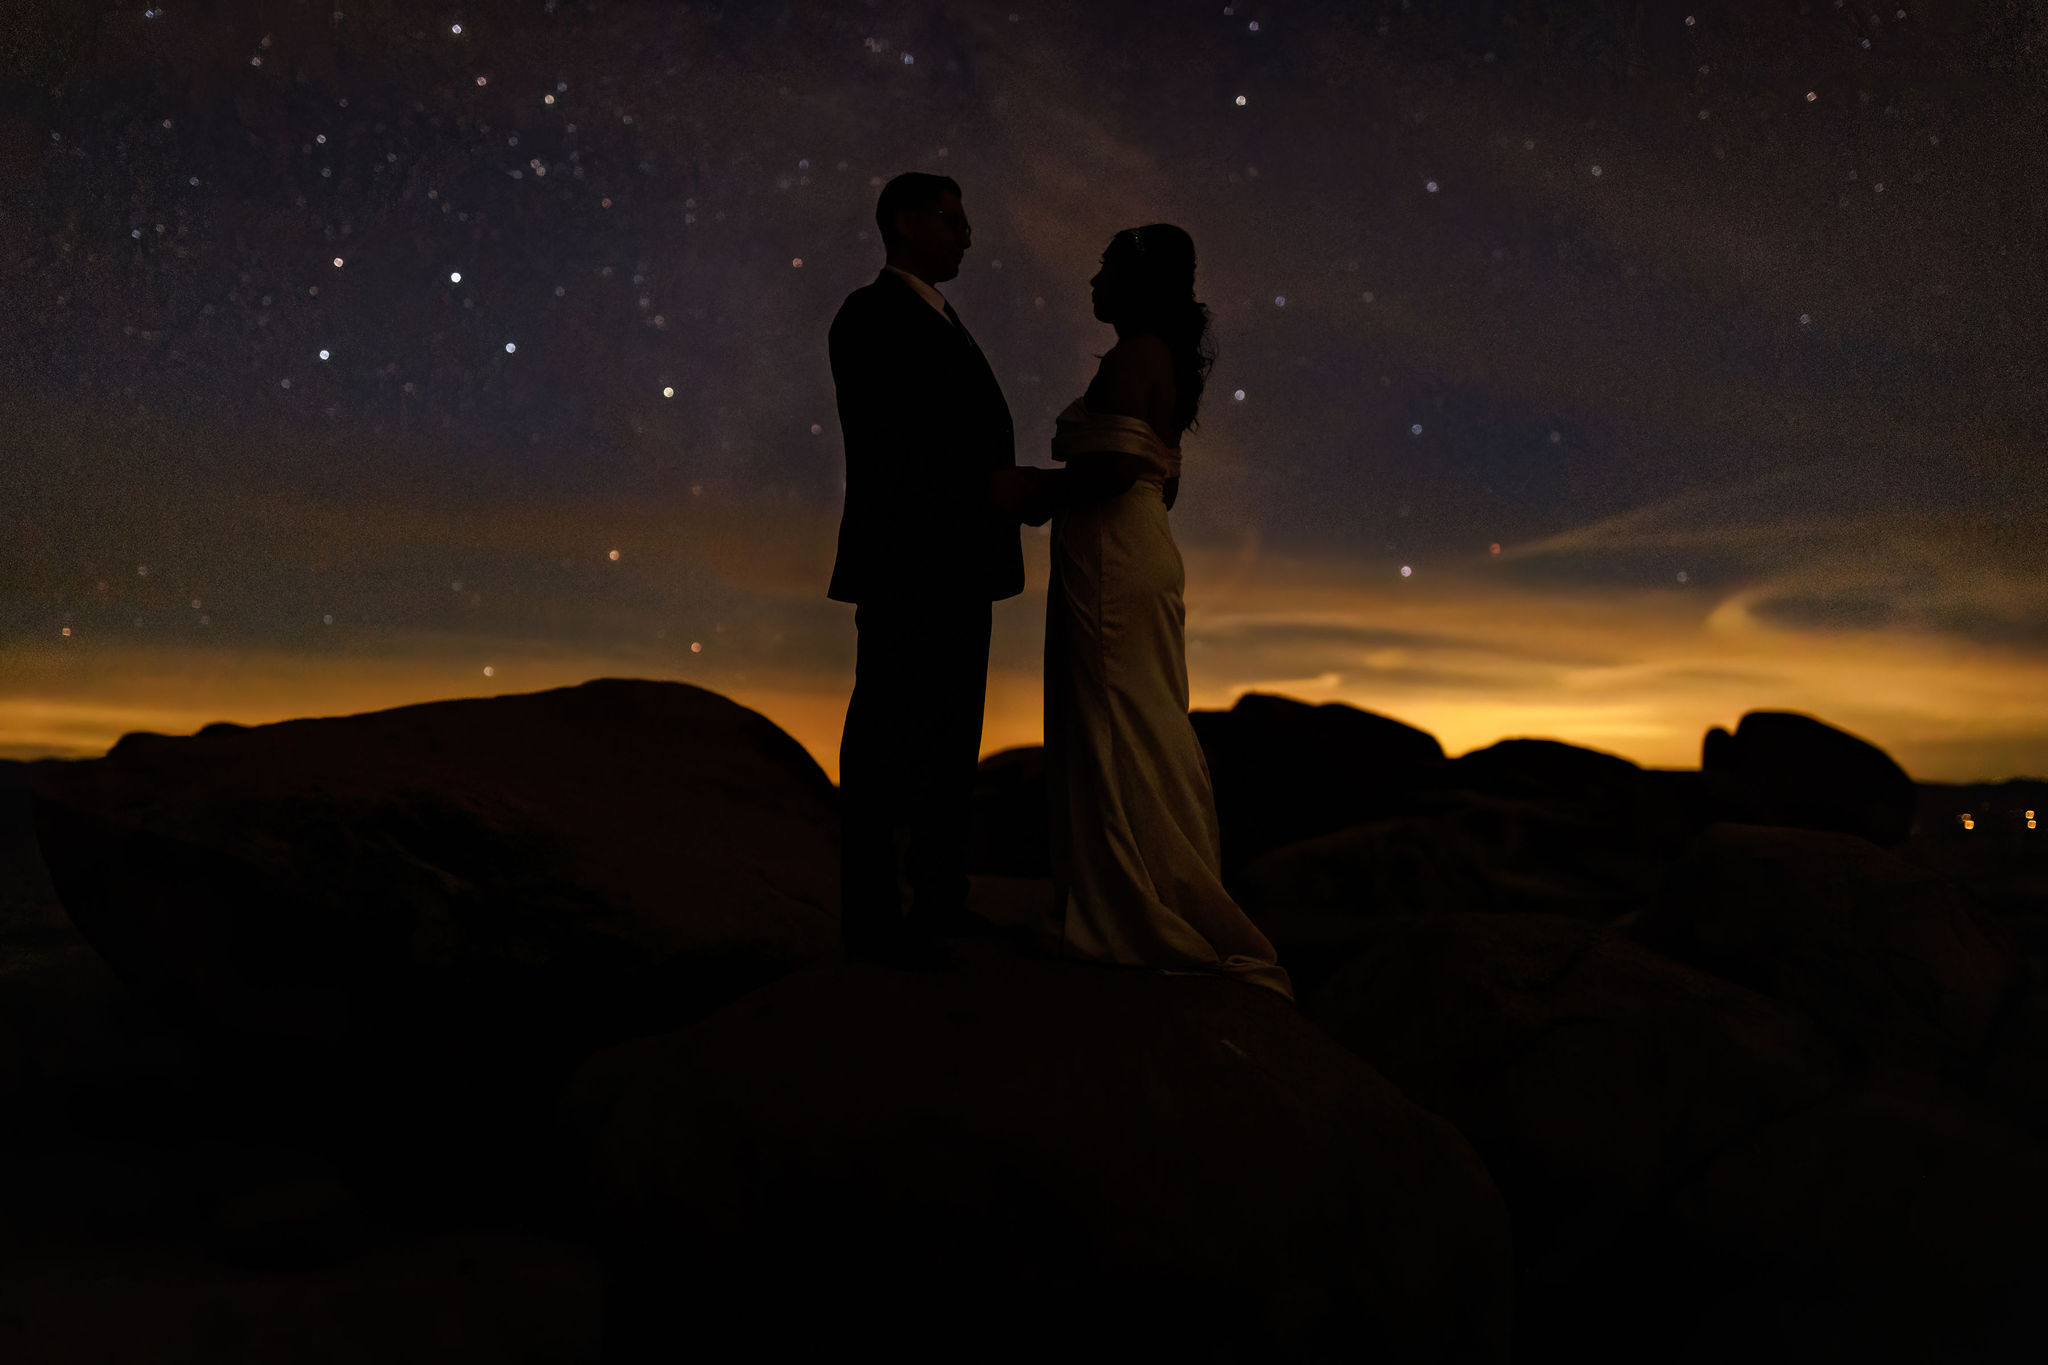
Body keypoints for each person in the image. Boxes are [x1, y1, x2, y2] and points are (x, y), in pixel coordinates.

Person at [1029, 225, 1294, 1000]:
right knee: (1133, 714)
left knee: (1121, 717)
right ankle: (1138, 888)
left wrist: (1033, 493)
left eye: (1107, 264)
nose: (1092, 278)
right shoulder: (1158, 357)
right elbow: (1157, 477)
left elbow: (1115, 469)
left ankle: (1139, 905)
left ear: (1139, 281)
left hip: (1115, 554)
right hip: (1129, 546)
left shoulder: (1137, 352)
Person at [826, 173, 1047, 969]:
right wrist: (988, 486)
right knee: (890, 738)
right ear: (905, 222)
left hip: (953, 560)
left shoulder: (938, 318)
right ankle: (876, 915)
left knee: (949, 737)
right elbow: (891, 440)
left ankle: (936, 900)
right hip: (910, 560)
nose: (968, 233)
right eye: (953, 219)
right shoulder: (871, 315)